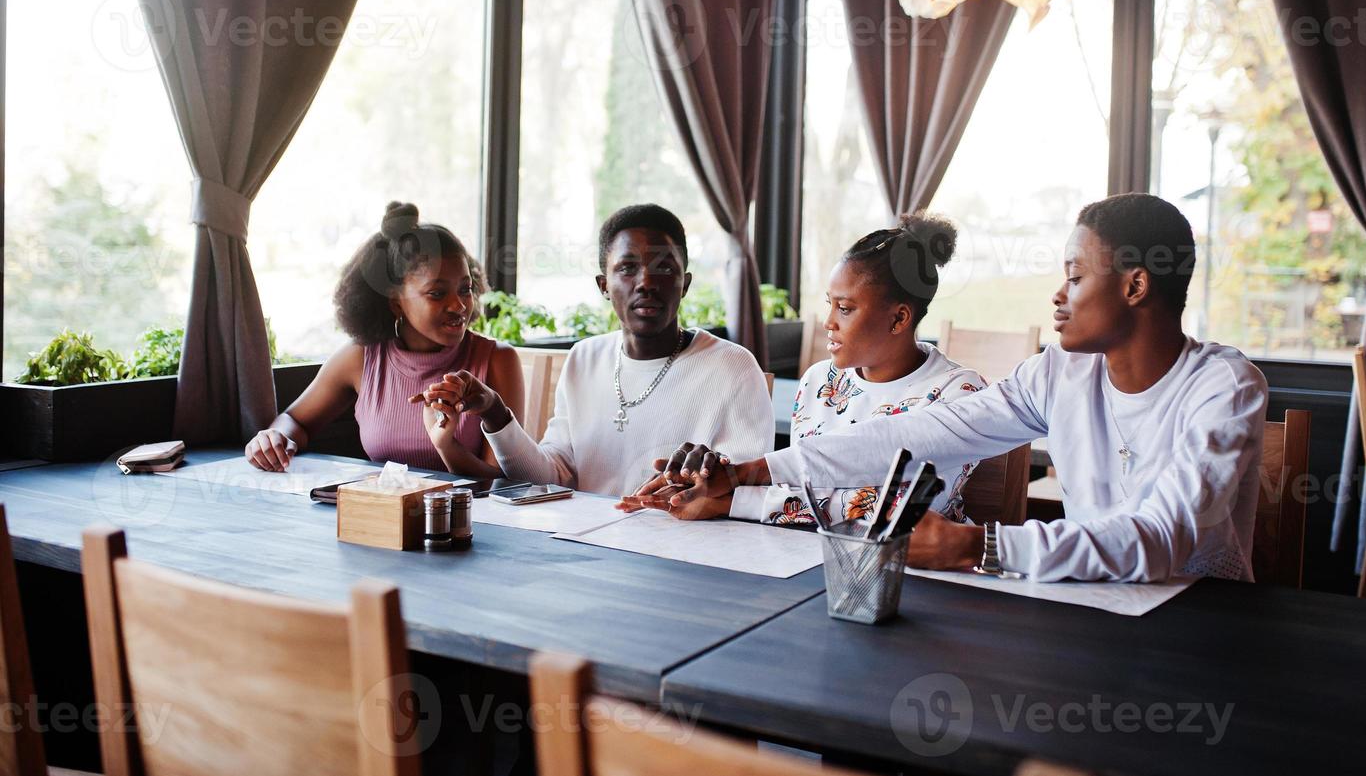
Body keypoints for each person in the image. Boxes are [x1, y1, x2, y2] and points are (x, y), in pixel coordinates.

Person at [629, 194, 1268, 584]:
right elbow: (913, 433)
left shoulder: (1223, 386)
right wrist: (749, 472)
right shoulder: (1060, 373)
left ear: (1135, 286)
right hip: (1090, 601)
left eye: (1075, 276)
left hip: (1201, 623)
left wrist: (980, 544)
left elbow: (1160, 538)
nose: (1057, 294)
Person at [625, 213, 986, 526]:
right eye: (830, 305)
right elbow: (796, 490)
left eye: (845, 309)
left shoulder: (959, 393)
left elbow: (897, 511)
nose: (828, 322)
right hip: (803, 557)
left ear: (899, 318)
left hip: (916, 575)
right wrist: (702, 480)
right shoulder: (818, 382)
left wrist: (731, 501)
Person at [454, 204, 773, 496]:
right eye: (627, 268)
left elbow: (750, 489)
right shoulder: (584, 359)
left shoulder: (733, 367)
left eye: (663, 268)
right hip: (584, 547)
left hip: (680, 548)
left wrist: (712, 475)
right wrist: (496, 414)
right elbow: (551, 475)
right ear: (603, 286)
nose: (646, 282)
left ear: (685, 284)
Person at [245, 202, 524, 477]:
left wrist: (447, 446)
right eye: (437, 294)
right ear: (396, 302)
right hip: (381, 517)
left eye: (465, 289)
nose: (460, 305)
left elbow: (503, 484)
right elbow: (295, 421)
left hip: (468, 519)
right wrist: (274, 437)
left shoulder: (498, 361)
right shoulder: (361, 358)